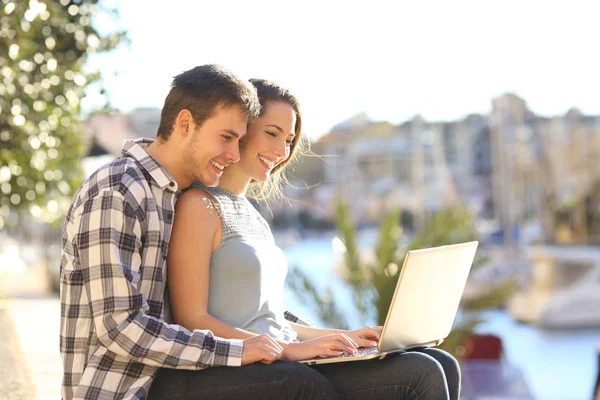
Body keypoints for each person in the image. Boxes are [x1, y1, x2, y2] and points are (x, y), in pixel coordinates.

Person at [164, 78, 462, 399]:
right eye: (272, 133)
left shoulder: (253, 215)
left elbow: (270, 319)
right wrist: (288, 351)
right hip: (252, 366)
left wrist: (343, 337)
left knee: (442, 362)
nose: (281, 151)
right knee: (421, 372)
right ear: (242, 127)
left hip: (284, 353)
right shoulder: (200, 205)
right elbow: (191, 318)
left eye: (289, 139)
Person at [60, 65, 336, 400]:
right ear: (185, 123)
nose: (234, 155)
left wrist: (327, 339)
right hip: (121, 390)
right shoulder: (118, 191)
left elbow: (243, 303)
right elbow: (120, 327)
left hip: (175, 376)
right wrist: (242, 349)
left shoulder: (178, 193)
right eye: (226, 138)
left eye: (238, 140)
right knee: (300, 385)